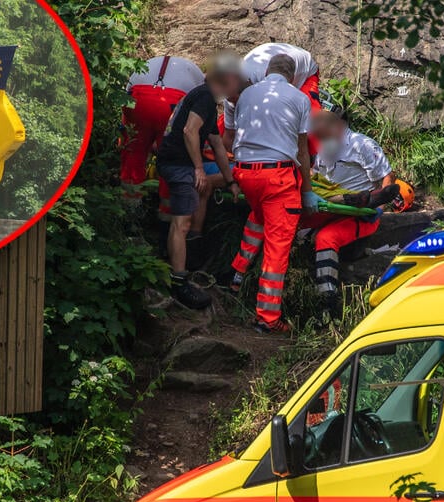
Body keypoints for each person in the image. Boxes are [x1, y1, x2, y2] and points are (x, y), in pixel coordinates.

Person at [228, 54, 316, 333]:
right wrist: (307, 191)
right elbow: (301, 150)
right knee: (278, 245)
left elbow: (232, 135)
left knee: (259, 215)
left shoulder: (246, 94)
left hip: (244, 173)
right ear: (291, 77)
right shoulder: (299, 98)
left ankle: (236, 275)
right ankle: (267, 318)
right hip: (276, 176)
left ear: (267, 71)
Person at [156, 53, 241, 309]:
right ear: (227, 78)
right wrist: (198, 169)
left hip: (178, 163)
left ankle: (185, 258)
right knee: (182, 222)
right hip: (177, 164)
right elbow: (189, 131)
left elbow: (216, 143)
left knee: (184, 216)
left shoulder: (205, 98)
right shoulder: (204, 96)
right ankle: (179, 281)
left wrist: (230, 181)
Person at [305, 109, 400, 317]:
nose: (321, 141)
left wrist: (378, 211)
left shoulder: (361, 145)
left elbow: (387, 177)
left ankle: (328, 301)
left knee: (326, 238)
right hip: (333, 206)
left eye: (324, 136)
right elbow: (320, 180)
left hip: (360, 212)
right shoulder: (324, 150)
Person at [120, 56, 205, 195]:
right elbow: (194, 127)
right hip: (172, 103)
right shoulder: (198, 77)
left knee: (133, 152)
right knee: (171, 158)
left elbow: (125, 105)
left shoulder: (147, 63)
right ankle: (167, 210)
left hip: (137, 100)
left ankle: (128, 205)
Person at [225, 43, 322, 156]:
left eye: (239, 102)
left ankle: (322, 161)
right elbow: (229, 133)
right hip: (270, 59)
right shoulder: (230, 96)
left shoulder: (265, 82)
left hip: (305, 71)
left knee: (310, 121)